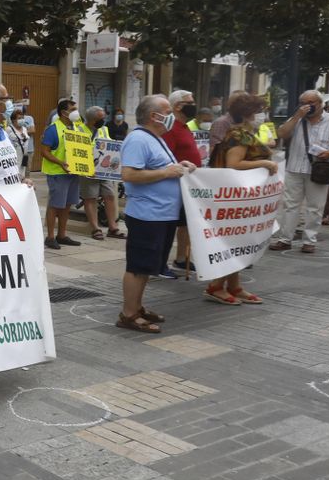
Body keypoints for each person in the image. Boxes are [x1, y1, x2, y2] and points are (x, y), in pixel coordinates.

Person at [117, 94, 195, 333]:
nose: (172, 115)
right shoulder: (138, 139)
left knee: (148, 266)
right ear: (154, 116)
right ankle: (128, 314)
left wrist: (180, 167)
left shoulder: (155, 138)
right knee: (138, 266)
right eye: (167, 111)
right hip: (147, 214)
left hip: (161, 214)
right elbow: (129, 175)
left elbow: (161, 168)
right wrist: (167, 173)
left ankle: (137, 306)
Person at [202, 98, 277, 306]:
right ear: (247, 113)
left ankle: (234, 285)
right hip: (235, 197)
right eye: (259, 111)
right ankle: (216, 286)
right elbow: (233, 164)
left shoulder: (246, 134)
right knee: (233, 242)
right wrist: (265, 162)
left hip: (244, 197)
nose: (263, 115)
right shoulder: (239, 135)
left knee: (240, 242)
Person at [270, 90, 329, 254]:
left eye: (312, 102)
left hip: (320, 169)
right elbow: (282, 134)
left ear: (321, 104)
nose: (308, 106)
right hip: (295, 167)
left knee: (315, 207)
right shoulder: (296, 119)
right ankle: (285, 239)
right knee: (290, 206)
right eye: (304, 102)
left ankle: (309, 241)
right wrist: (297, 117)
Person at [159, 90, 204, 274]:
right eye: (190, 102)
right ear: (178, 106)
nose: (193, 105)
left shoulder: (185, 127)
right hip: (176, 185)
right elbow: (166, 157)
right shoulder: (170, 129)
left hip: (189, 184)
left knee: (186, 224)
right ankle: (160, 262)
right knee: (169, 226)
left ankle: (181, 258)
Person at [35, 98, 83, 252]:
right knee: (55, 205)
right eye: (73, 109)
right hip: (57, 173)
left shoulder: (77, 128)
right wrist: (60, 162)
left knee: (67, 205)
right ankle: (50, 237)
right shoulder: (53, 129)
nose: (76, 112)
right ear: (64, 112)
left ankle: (61, 235)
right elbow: (44, 151)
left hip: (73, 173)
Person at [78, 106, 123, 240]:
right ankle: (95, 228)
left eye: (103, 117)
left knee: (109, 196)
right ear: (91, 119)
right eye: (100, 118)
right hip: (88, 170)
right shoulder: (79, 130)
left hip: (104, 170)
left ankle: (113, 227)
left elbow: (108, 145)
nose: (103, 120)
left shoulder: (104, 129)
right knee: (90, 198)